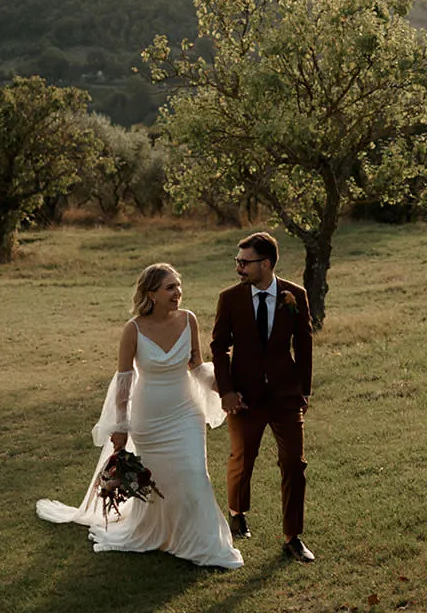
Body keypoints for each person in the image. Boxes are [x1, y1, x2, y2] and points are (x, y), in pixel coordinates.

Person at [36, 263, 243, 569]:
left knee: (194, 475)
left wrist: (224, 389)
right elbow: (124, 381)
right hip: (150, 419)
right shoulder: (133, 329)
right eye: (170, 287)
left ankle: (204, 545)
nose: (178, 293)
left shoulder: (189, 320)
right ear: (152, 293)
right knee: (159, 483)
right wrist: (120, 426)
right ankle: (160, 534)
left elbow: (197, 366)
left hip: (186, 413)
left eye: (179, 286)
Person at [212, 231, 316, 562]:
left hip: (285, 395)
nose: (239, 267)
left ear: (266, 263)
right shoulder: (229, 298)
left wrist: (304, 389)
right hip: (244, 395)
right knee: (243, 459)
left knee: (294, 464)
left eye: (245, 262)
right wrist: (226, 391)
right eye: (237, 261)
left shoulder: (294, 295)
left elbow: (304, 343)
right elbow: (218, 346)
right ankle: (237, 510)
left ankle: (293, 537)